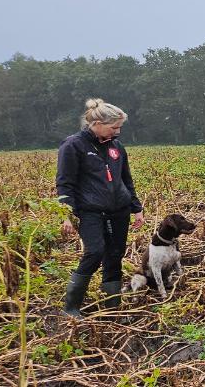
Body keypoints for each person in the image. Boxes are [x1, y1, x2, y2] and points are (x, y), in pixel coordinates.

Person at [56, 98, 145, 318]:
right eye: (114, 127)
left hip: (119, 210)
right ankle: (71, 307)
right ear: (96, 123)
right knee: (94, 252)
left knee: (115, 255)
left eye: (120, 127)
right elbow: (65, 183)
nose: (118, 132)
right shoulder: (73, 145)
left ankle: (111, 307)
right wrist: (66, 214)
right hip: (90, 211)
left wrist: (136, 207)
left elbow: (126, 179)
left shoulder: (116, 146)